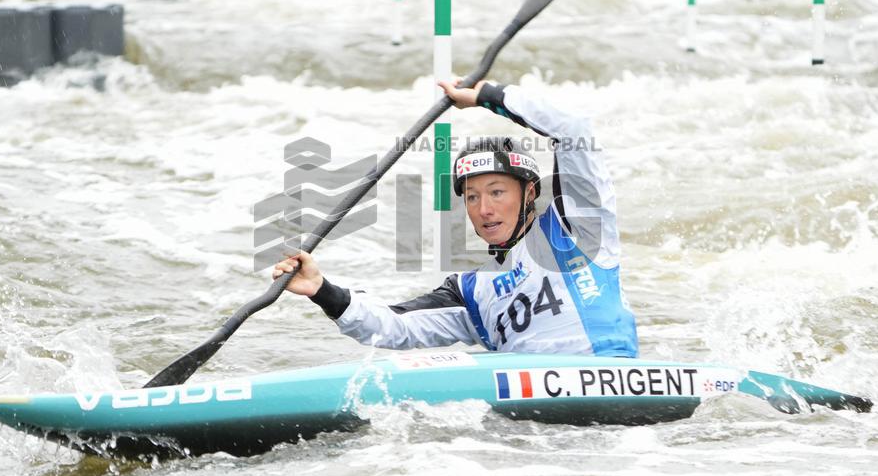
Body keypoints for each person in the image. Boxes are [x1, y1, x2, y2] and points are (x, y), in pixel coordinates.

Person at [272, 79, 638, 357]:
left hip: (609, 377)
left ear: (529, 193)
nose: (484, 209)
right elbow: (394, 327)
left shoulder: (580, 226)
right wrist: (322, 291)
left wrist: (488, 97)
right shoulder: (472, 292)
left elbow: (572, 129)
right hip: (537, 430)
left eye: (497, 192)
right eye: (473, 197)